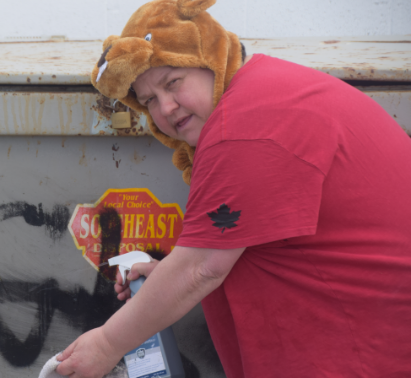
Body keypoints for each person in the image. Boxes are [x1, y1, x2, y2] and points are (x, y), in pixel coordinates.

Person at [57, 0, 411, 377]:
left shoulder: (244, 128)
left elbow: (202, 268)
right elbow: (237, 251)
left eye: (172, 82)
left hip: (361, 351)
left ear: (211, 60)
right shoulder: (264, 92)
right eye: (149, 101)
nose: (166, 107)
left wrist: (108, 344)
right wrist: (170, 276)